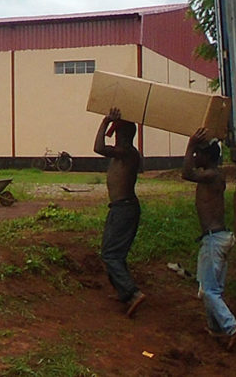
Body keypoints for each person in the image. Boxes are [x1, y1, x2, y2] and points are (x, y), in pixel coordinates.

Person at [182, 128, 236, 350]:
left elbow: (186, 173)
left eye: (199, 153)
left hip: (213, 240)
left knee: (208, 290)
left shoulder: (211, 175)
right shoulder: (216, 175)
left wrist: (190, 144)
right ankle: (216, 328)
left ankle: (231, 326)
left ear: (208, 157)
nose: (195, 156)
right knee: (211, 289)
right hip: (219, 238)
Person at [93, 107, 145, 317]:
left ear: (123, 136)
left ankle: (132, 293)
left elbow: (98, 147)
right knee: (113, 252)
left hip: (124, 208)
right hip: (120, 207)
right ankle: (124, 292)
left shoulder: (126, 152)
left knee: (110, 254)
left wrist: (105, 122)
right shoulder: (126, 153)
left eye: (117, 133)